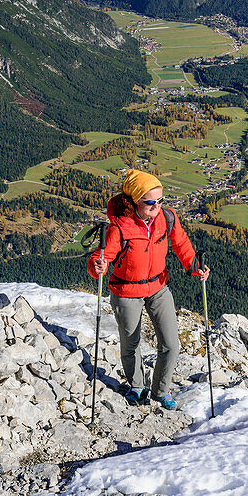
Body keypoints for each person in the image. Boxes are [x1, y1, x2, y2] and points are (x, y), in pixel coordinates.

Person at [87, 168, 209, 410]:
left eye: (160, 200)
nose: (156, 206)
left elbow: (182, 243)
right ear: (133, 202)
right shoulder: (119, 228)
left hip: (158, 286)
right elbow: (100, 258)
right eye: (150, 202)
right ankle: (137, 386)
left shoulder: (167, 217)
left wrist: (196, 267)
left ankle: (160, 391)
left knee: (171, 345)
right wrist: (97, 266)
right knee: (131, 343)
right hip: (126, 291)